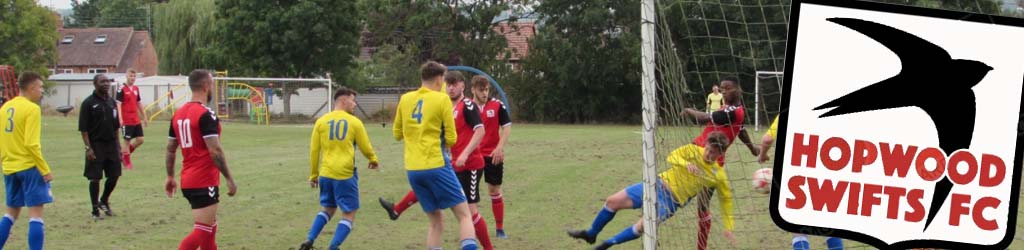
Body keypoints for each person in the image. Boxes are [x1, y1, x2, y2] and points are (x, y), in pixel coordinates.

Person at [378, 72, 493, 250]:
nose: (451, 87)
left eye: (455, 84)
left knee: (469, 211)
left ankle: (489, 248)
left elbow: (480, 131)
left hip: (469, 165)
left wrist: (464, 154)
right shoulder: (443, 104)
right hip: (449, 163)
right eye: (449, 84)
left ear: (463, 86)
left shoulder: (467, 105)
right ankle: (397, 209)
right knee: (440, 198)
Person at [568, 132, 736, 250]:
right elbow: (672, 156)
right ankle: (591, 234)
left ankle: (608, 244)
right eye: (707, 149)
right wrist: (686, 164)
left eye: (713, 153)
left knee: (643, 226)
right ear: (705, 144)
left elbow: (726, 200)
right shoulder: (693, 150)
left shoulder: (718, 175)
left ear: (721, 153)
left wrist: (729, 227)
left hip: (671, 202)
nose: (708, 154)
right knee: (612, 201)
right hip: (656, 185)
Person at [681, 76, 758, 250]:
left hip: (706, 160)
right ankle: (702, 247)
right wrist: (753, 149)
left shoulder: (732, 111)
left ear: (737, 89)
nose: (723, 91)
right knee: (700, 203)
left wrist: (688, 110)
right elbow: (741, 130)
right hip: (704, 158)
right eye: (722, 88)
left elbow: (702, 118)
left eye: (727, 88)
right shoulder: (735, 109)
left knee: (691, 200)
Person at [298, 87, 380, 250]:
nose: (354, 104)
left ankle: (309, 239)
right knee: (349, 213)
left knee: (328, 208)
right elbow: (365, 146)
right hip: (344, 174)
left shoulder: (321, 121)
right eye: (352, 100)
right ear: (343, 100)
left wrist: (314, 175)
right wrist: (373, 159)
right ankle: (333, 247)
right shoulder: (354, 122)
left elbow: (314, 151)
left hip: (326, 174)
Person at [165, 69, 238, 250]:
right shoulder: (206, 114)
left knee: (210, 229)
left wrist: (170, 177)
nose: (212, 88)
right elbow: (215, 151)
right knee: (203, 230)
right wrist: (229, 178)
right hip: (204, 180)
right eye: (211, 84)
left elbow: (170, 149)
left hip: (187, 180)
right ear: (205, 86)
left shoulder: (178, 114)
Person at [757, 114, 844, 250]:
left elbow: (767, 139)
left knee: (799, 230)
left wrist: (762, 155)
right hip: (824, 174)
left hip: (795, 177)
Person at [0, 72, 53, 250]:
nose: (41, 91)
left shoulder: (5, 107)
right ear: (31, 88)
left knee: (11, 213)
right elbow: (31, 144)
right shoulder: (32, 109)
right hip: (29, 167)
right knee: (36, 215)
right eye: (40, 87)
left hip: (9, 168)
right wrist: (44, 169)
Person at [79, 74, 127, 220]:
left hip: (111, 144)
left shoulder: (112, 102)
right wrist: (89, 148)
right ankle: (95, 210)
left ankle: (104, 200)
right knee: (95, 178)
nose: (106, 84)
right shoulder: (88, 103)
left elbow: (115, 127)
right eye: (102, 82)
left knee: (115, 175)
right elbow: (83, 129)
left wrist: (118, 147)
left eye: (107, 81)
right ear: (95, 84)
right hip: (96, 144)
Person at [470, 75, 512, 239]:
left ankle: (499, 228)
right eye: (481, 90)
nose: (484, 93)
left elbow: (507, 128)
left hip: (492, 155)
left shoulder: (497, 105)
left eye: (486, 90)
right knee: (470, 195)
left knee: (494, 190)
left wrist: (499, 148)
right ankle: (473, 228)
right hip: (473, 156)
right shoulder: (467, 106)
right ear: (473, 89)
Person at [116, 68, 148, 170]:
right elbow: (118, 104)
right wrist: (120, 118)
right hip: (126, 119)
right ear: (126, 76)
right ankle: (127, 163)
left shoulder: (136, 89)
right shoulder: (121, 89)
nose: (132, 78)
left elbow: (138, 102)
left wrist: (144, 116)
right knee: (127, 140)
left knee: (140, 139)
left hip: (135, 119)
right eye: (131, 76)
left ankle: (124, 154)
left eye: (134, 76)